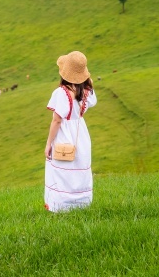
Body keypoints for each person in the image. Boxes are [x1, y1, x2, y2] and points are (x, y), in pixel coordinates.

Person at [44, 50, 97, 212]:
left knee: (61, 172)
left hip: (64, 135)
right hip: (80, 135)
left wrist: (48, 143)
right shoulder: (87, 92)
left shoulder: (61, 93)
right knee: (78, 170)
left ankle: (60, 206)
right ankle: (81, 204)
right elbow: (92, 100)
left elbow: (57, 119)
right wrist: (88, 81)